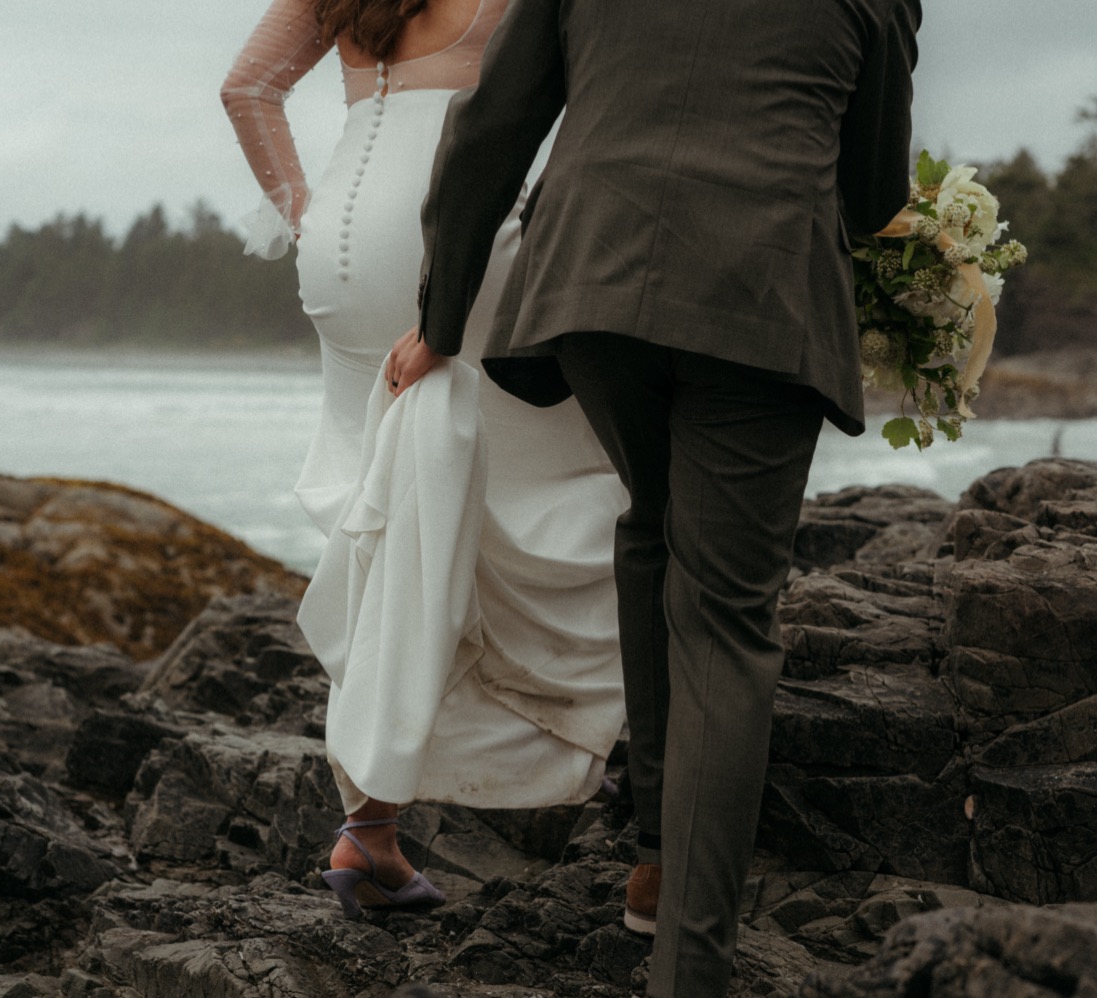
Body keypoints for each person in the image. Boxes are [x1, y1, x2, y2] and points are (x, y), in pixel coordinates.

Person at [395, 0, 921, 993]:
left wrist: (442, 316)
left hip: (593, 285)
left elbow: (488, 126)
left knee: (654, 519)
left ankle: (654, 850)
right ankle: (691, 965)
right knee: (725, 618)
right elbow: (871, 188)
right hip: (758, 302)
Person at [220, 0, 628, 915]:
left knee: (387, 508)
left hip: (337, 257)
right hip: (453, 240)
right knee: (585, 478)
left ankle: (371, 829)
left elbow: (248, 88)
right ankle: (612, 745)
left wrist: (306, 218)